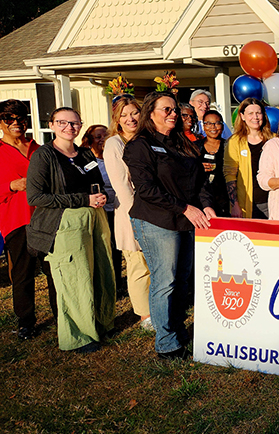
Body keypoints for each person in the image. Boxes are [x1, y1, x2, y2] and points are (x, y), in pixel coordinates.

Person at [124, 91, 216, 359]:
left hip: (186, 220)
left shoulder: (183, 143)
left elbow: (199, 182)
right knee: (165, 281)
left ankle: (178, 332)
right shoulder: (139, 145)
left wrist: (205, 204)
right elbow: (147, 189)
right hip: (157, 220)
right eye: (166, 109)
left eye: (175, 109)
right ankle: (167, 344)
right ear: (150, 113)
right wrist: (186, 208)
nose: (173, 113)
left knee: (182, 280)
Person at [27, 107, 116, 354]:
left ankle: (100, 322)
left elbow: (97, 183)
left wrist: (100, 197)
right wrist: (82, 200)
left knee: (101, 270)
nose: (69, 127)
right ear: (52, 124)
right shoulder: (44, 156)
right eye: (62, 122)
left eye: (75, 123)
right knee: (75, 280)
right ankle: (78, 336)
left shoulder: (85, 154)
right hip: (65, 223)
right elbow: (36, 196)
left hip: (95, 218)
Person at [0, 100, 57, 340]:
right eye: (9, 119)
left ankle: (61, 314)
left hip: (45, 218)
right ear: (1, 122)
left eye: (21, 119)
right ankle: (26, 321)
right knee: (23, 273)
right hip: (16, 219)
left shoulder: (39, 148)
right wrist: (11, 185)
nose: (16, 123)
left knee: (53, 269)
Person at [104, 96, 153, 329]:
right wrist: (138, 215)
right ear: (117, 120)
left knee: (155, 263)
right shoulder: (115, 143)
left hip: (155, 208)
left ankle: (157, 305)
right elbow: (121, 184)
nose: (130, 118)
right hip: (132, 212)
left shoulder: (147, 139)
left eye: (134, 113)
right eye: (124, 115)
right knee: (137, 264)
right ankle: (144, 315)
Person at [80, 124, 124, 293]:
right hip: (99, 210)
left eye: (105, 136)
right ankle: (102, 283)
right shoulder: (87, 161)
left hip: (117, 208)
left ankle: (116, 283)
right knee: (102, 247)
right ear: (89, 141)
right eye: (98, 137)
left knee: (116, 247)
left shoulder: (114, 156)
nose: (102, 140)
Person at [224, 98, 273, 219]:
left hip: (272, 202)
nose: (255, 117)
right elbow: (230, 175)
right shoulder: (235, 142)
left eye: (258, 113)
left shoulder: (274, 139)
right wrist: (234, 204)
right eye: (250, 113)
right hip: (247, 203)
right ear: (242, 116)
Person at [196, 109, 230, 217]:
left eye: (217, 123)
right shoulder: (194, 147)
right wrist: (198, 168)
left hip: (225, 198)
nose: (213, 127)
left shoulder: (230, 146)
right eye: (208, 123)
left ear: (223, 125)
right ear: (203, 125)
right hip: (201, 200)